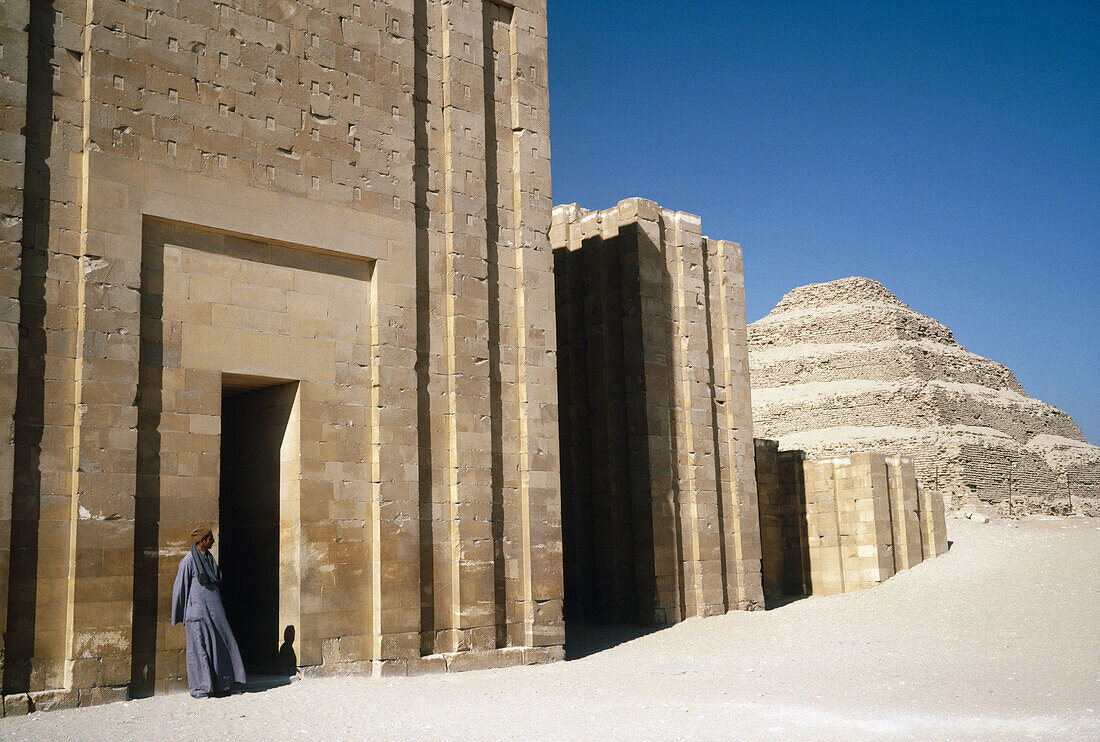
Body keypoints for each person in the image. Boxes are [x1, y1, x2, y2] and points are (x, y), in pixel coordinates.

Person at [171, 525, 247, 698]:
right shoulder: (188, 561)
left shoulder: (209, 560)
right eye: (210, 538)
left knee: (221, 645)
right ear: (202, 541)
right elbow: (179, 589)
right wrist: (180, 614)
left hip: (214, 612)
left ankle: (223, 685)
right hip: (197, 613)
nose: (213, 540)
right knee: (199, 649)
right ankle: (200, 688)